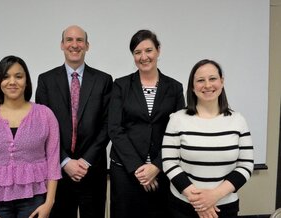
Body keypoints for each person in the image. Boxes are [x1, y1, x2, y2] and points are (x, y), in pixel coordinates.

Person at [35, 25, 113, 218]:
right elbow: (42, 128)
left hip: (93, 171)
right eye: (69, 40)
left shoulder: (104, 80)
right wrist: (65, 161)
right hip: (57, 173)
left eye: (79, 40)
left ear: (87, 46)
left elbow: (107, 125)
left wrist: (85, 161)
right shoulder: (46, 80)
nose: (74, 44)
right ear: (62, 45)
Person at [0, 55, 61, 218]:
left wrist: (49, 203)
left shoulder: (45, 115)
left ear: (26, 81)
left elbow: (53, 163)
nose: (12, 82)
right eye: (5, 77)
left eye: (18, 76)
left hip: (35, 200)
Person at [162, 59, 254, 218]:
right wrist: (198, 201)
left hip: (225, 208)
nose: (207, 85)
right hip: (183, 206)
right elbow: (169, 162)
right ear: (192, 86)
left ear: (222, 81)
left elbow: (245, 165)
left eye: (212, 79)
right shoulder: (177, 119)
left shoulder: (238, 120)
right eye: (200, 80)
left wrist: (214, 196)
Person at [108, 29, 185, 218]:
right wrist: (139, 169)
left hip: (163, 170)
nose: (144, 57)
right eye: (137, 52)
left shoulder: (174, 88)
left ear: (158, 50)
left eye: (148, 50)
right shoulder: (121, 85)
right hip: (126, 171)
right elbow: (115, 128)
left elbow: (178, 131)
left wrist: (156, 166)